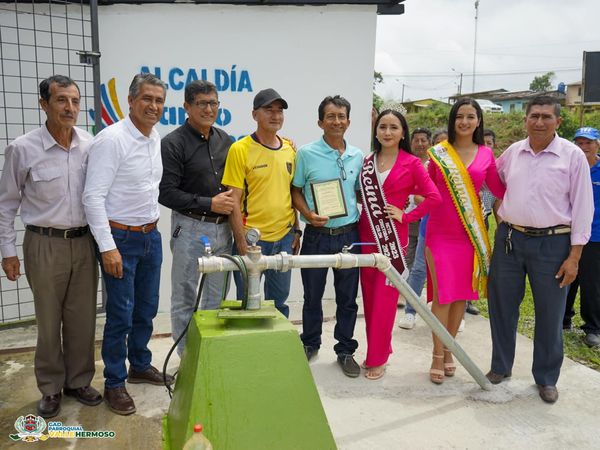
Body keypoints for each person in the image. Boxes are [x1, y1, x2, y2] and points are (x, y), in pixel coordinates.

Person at [0, 75, 101, 418]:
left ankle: (79, 381)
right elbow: (6, 204)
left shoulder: (89, 145)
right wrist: (8, 252)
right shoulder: (23, 148)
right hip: (43, 244)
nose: (69, 108)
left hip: (83, 242)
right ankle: (50, 387)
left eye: (74, 101)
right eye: (61, 100)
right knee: (47, 319)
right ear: (44, 104)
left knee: (82, 318)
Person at [487, 96, 593, 403]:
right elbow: (493, 183)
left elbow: (583, 208)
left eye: (546, 116)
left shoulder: (572, 156)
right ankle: (500, 366)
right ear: (525, 120)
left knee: (550, 313)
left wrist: (574, 257)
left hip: (553, 244)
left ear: (558, 121)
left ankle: (546, 378)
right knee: (502, 306)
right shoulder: (513, 152)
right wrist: (501, 214)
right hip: (510, 240)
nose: (539, 122)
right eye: (534, 116)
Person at [83, 73, 174, 415]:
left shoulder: (154, 137)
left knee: (146, 309)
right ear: (132, 101)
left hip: (150, 236)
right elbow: (93, 197)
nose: (153, 106)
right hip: (120, 238)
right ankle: (114, 382)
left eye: (159, 101)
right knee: (120, 314)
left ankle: (139, 364)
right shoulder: (112, 140)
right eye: (147, 99)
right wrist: (107, 247)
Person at [426, 98, 505, 384]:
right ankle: (436, 354)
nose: (464, 122)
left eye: (471, 116)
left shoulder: (486, 154)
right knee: (443, 296)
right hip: (439, 234)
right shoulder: (438, 153)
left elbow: (499, 190)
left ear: (478, 121)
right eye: (460, 116)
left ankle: (449, 350)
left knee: (460, 295)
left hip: (469, 236)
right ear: (453, 120)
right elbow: (425, 189)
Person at [358, 109, 441, 380]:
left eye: (394, 127)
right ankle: (379, 349)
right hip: (366, 235)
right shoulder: (368, 161)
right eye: (382, 126)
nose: (387, 132)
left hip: (393, 240)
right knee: (369, 298)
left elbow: (434, 197)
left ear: (403, 132)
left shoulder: (412, 163)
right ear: (376, 130)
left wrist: (406, 216)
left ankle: (378, 358)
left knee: (385, 300)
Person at [159, 80, 234, 356]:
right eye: (202, 103)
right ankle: (187, 359)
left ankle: (209, 357)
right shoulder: (173, 143)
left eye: (213, 103)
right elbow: (166, 193)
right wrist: (209, 203)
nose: (209, 109)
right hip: (190, 228)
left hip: (223, 230)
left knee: (216, 298)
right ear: (187, 107)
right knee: (185, 297)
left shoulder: (225, 140)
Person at [292, 95, 364, 377]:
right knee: (312, 296)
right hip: (317, 235)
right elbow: (295, 190)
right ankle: (310, 343)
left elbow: (360, 193)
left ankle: (345, 350)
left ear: (349, 121)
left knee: (348, 298)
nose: (337, 121)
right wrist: (308, 215)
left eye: (341, 116)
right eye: (330, 116)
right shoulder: (306, 154)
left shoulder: (357, 156)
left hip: (349, 235)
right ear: (320, 122)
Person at [222, 88, 300, 318]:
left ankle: (277, 343)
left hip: (284, 239)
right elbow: (233, 201)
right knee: (247, 304)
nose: (275, 116)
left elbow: (291, 193)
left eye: (279, 111)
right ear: (254, 115)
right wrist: (241, 243)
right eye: (269, 110)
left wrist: (296, 230)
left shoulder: (289, 149)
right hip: (252, 241)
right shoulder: (239, 149)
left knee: (279, 303)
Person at [399, 128, 444, 330]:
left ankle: (452, 314)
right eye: (439, 143)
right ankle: (410, 311)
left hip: (453, 230)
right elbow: (417, 196)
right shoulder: (427, 166)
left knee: (447, 271)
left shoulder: (462, 168)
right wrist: (435, 203)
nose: (443, 147)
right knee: (418, 268)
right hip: (428, 224)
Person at [562, 127, 600, 348]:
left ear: (597, 145)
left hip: (595, 236)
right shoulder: (569, 167)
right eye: (580, 143)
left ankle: (592, 328)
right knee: (565, 277)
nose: (584, 147)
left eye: (589, 143)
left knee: (591, 283)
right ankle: (563, 319)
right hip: (568, 233)